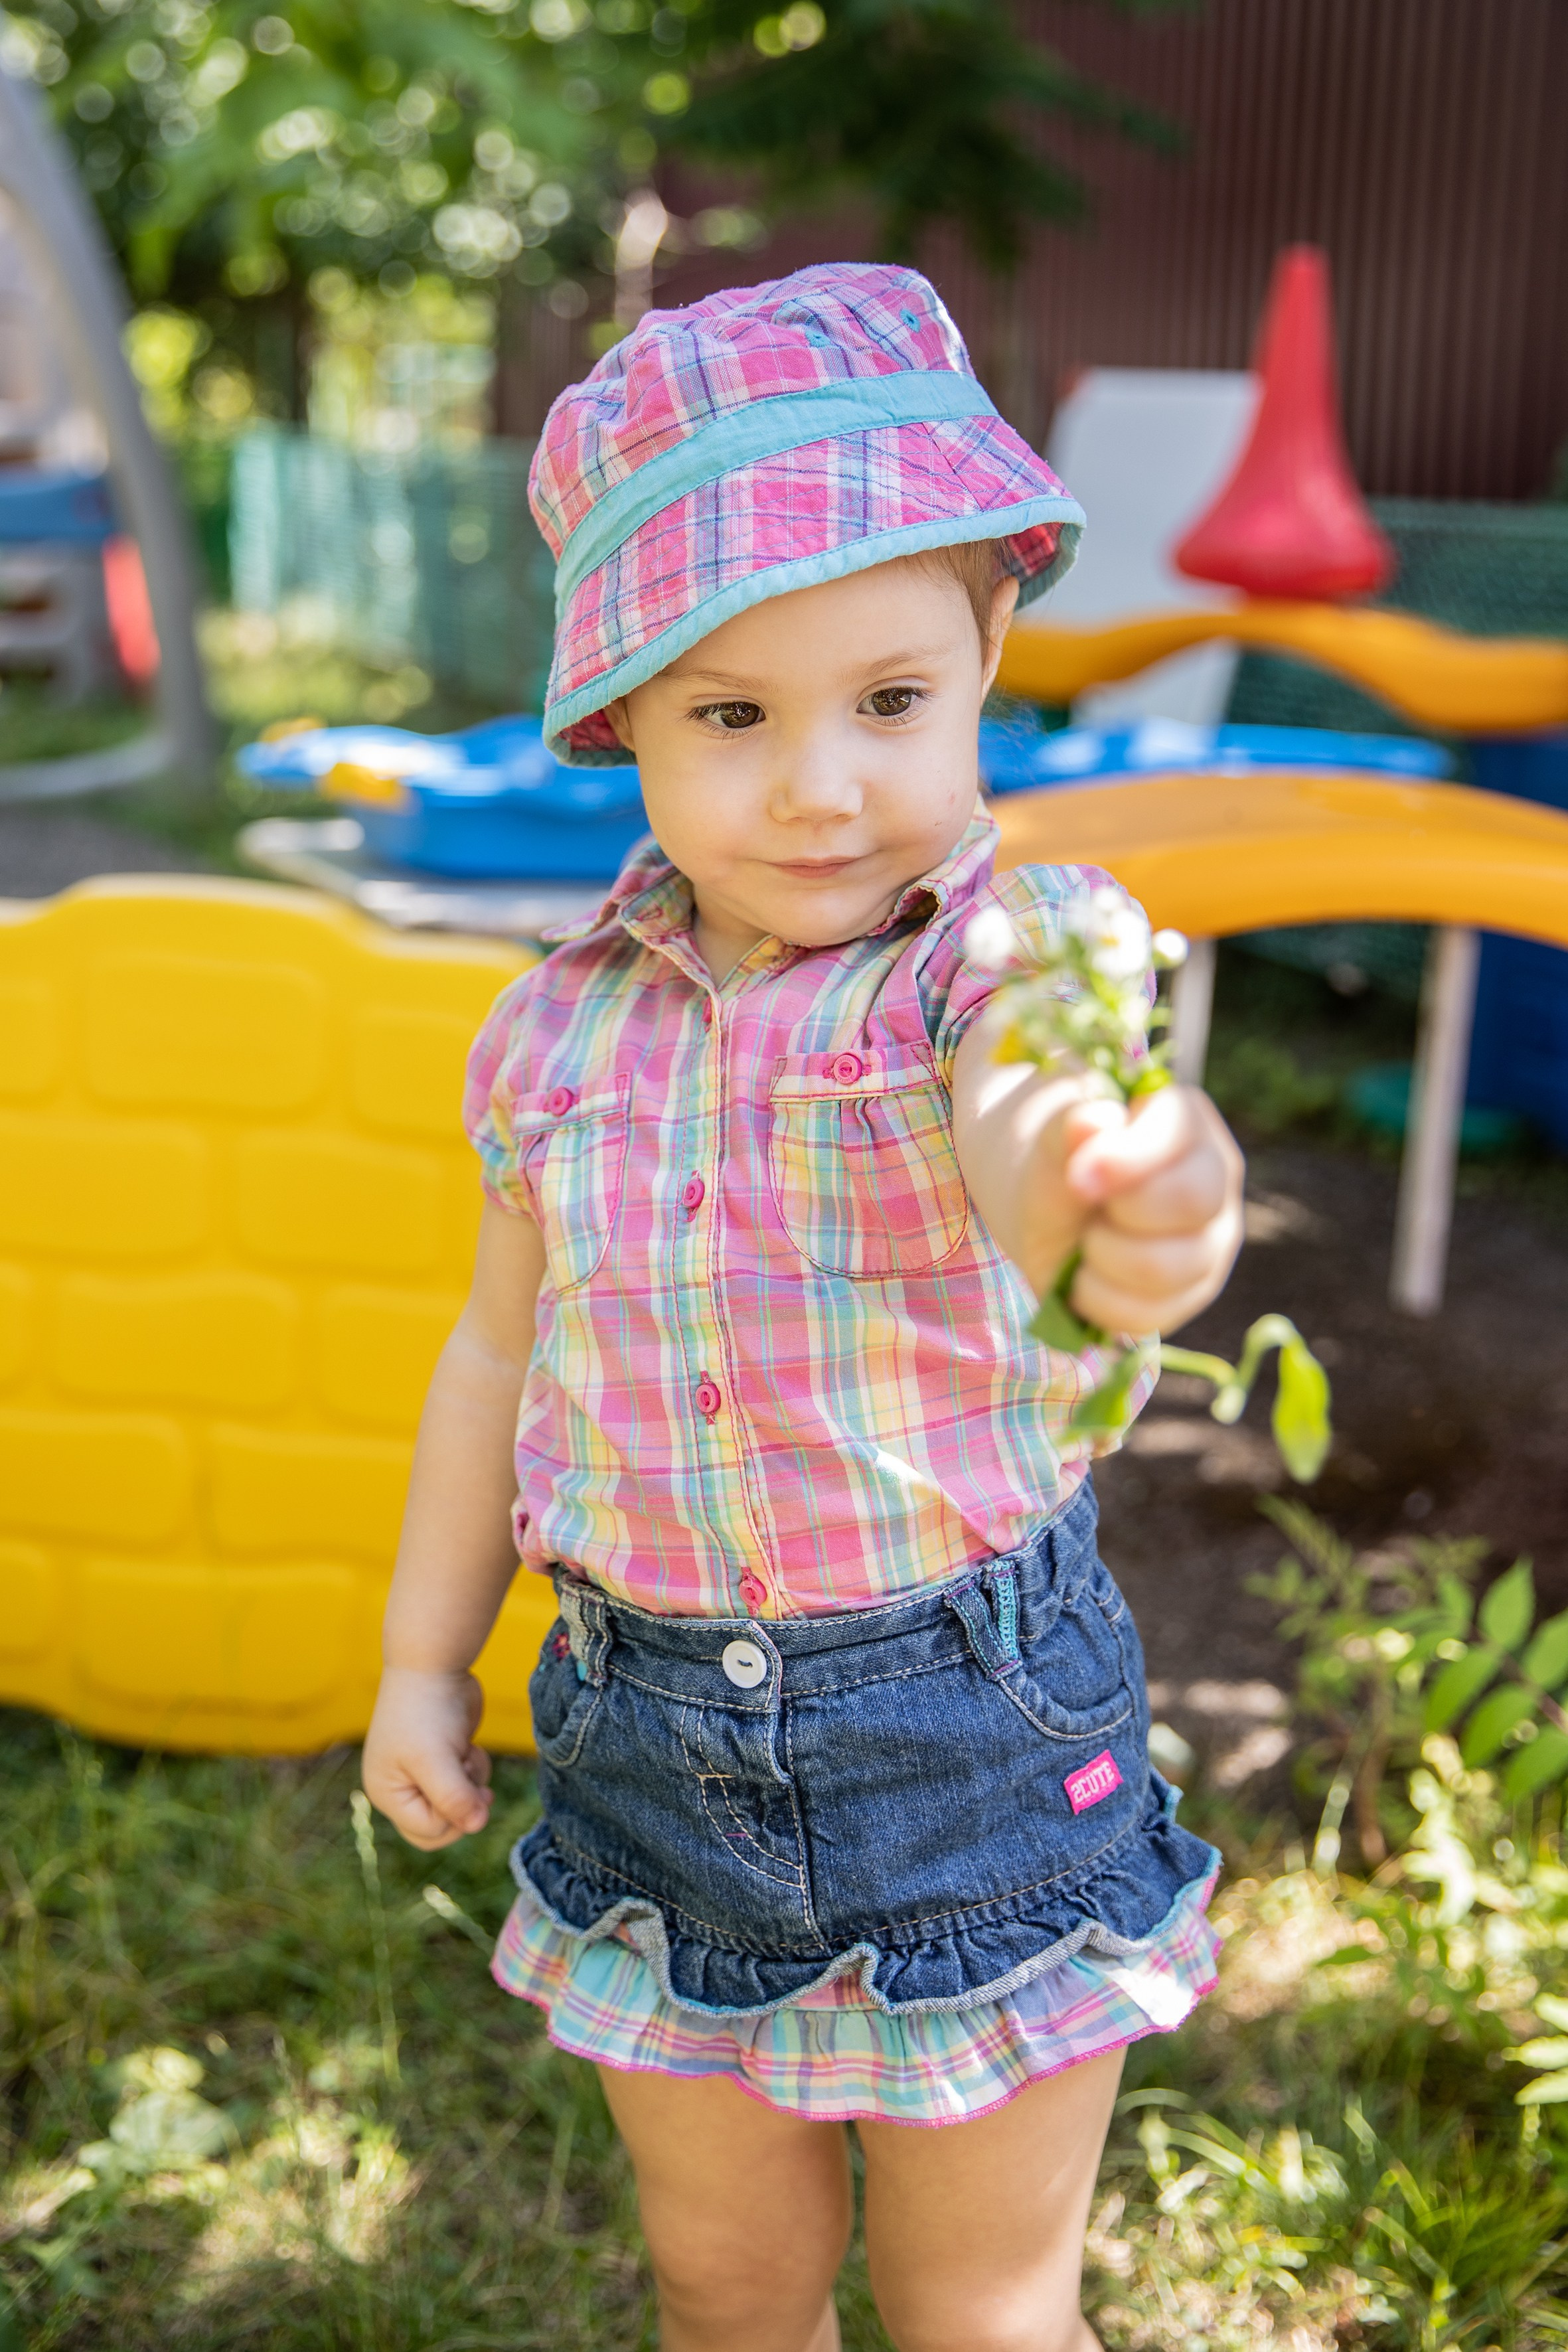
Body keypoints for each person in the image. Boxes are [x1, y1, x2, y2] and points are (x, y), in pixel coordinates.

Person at [362, 264, 1244, 2352]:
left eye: (888, 702)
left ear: (982, 661)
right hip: (636, 1742)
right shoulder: (549, 1037)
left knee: (979, 2309)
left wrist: (1128, 1210)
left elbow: (1039, 1119)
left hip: (962, 1739)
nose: (821, 787)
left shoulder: (996, 956)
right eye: (731, 716)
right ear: (625, 720)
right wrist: (419, 1659)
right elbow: (500, 1349)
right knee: (723, 2279)